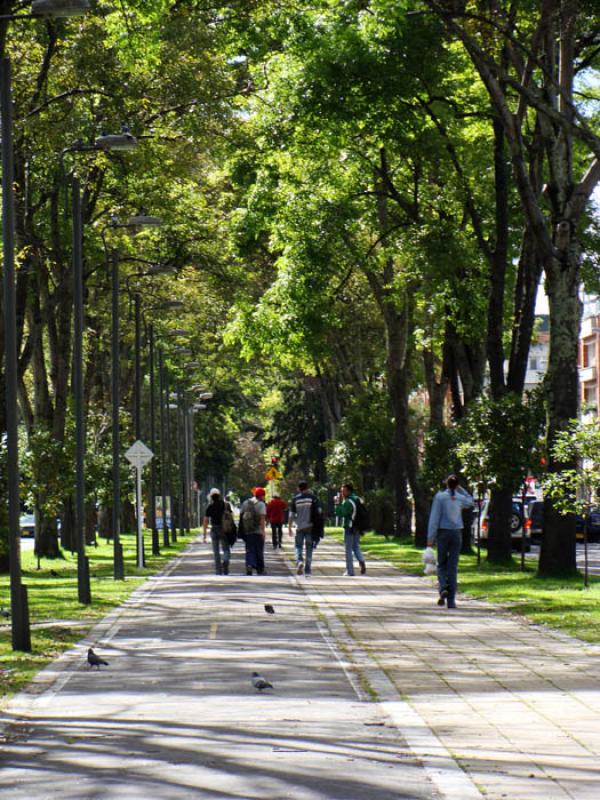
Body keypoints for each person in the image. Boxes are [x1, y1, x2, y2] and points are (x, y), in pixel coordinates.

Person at [427, 474, 474, 609]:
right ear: (457, 485)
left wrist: (430, 538)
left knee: (441, 564)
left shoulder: (440, 497)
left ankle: (443, 588)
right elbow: (471, 501)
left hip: (443, 533)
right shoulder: (460, 498)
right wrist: (460, 489)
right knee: (452, 567)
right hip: (456, 533)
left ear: (446, 484)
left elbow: (434, 518)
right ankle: (451, 601)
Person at [289, 480, 320, 576]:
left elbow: (291, 515)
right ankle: (307, 570)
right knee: (309, 548)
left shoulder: (295, 499)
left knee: (298, 546)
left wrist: (290, 527)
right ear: (307, 488)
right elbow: (319, 512)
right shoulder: (313, 498)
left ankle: (299, 561)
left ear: (299, 489)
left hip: (299, 526)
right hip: (310, 526)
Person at [335, 483, 366, 576]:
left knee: (348, 549)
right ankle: (361, 560)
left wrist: (338, 503)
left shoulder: (348, 502)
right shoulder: (357, 499)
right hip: (358, 526)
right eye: (341, 491)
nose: (342, 493)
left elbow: (341, 513)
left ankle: (350, 571)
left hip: (349, 527)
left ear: (348, 491)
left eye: (343, 491)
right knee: (356, 546)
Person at [203, 488, 232, 575]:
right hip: (224, 529)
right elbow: (231, 517)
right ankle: (226, 561)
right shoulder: (226, 505)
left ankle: (218, 570)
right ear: (219, 495)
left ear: (211, 497)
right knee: (226, 548)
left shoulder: (210, 507)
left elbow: (205, 521)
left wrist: (204, 535)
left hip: (214, 529)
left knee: (216, 551)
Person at [240, 487, 267, 575]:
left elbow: (242, 516)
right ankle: (260, 569)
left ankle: (249, 565)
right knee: (259, 550)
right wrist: (263, 532)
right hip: (258, 531)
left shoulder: (246, 503)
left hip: (248, 530)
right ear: (262, 496)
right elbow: (262, 519)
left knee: (249, 549)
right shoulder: (261, 504)